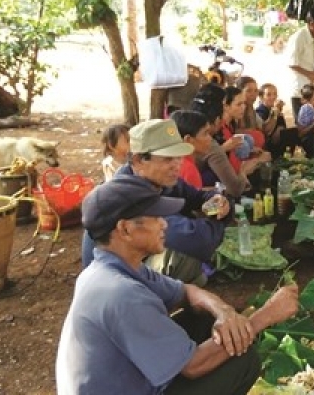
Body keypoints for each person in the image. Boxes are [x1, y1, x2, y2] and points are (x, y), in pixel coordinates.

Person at [57, 174, 299, 394]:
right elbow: (193, 366)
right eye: (155, 217)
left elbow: (187, 291)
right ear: (125, 229)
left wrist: (224, 313)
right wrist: (266, 316)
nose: (164, 224)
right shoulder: (121, 294)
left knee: (205, 320)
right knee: (242, 363)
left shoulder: (113, 268)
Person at [81, 119, 232, 287]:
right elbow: (200, 239)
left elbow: (197, 196)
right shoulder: (132, 197)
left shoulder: (154, 178)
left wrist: (216, 200)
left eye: (178, 157)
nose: (178, 165)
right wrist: (222, 218)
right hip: (115, 284)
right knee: (183, 255)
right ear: (138, 160)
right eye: (168, 159)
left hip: (124, 272)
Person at [189, 86, 259, 197]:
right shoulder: (210, 144)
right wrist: (243, 171)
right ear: (218, 119)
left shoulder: (183, 125)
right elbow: (235, 189)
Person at [286, 7, 314, 121]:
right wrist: (309, 74)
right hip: (299, 90)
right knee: (303, 125)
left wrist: (313, 75)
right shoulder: (299, 37)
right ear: (311, 24)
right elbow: (291, 63)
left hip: (311, 89)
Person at [255, 83, 299, 159]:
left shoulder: (275, 110)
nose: (273, 97)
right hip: (268, 147)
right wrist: (275, 111)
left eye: (275, 94)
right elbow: (267, 130)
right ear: (261, 97)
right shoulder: (261, 111)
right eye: (269, 95)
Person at [235, 76, 266, 149]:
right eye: (249, 91)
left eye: (256, 91)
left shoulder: (252, 110)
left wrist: (274, 114)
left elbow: (264, 128)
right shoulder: (235, 111)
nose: (253, 94)